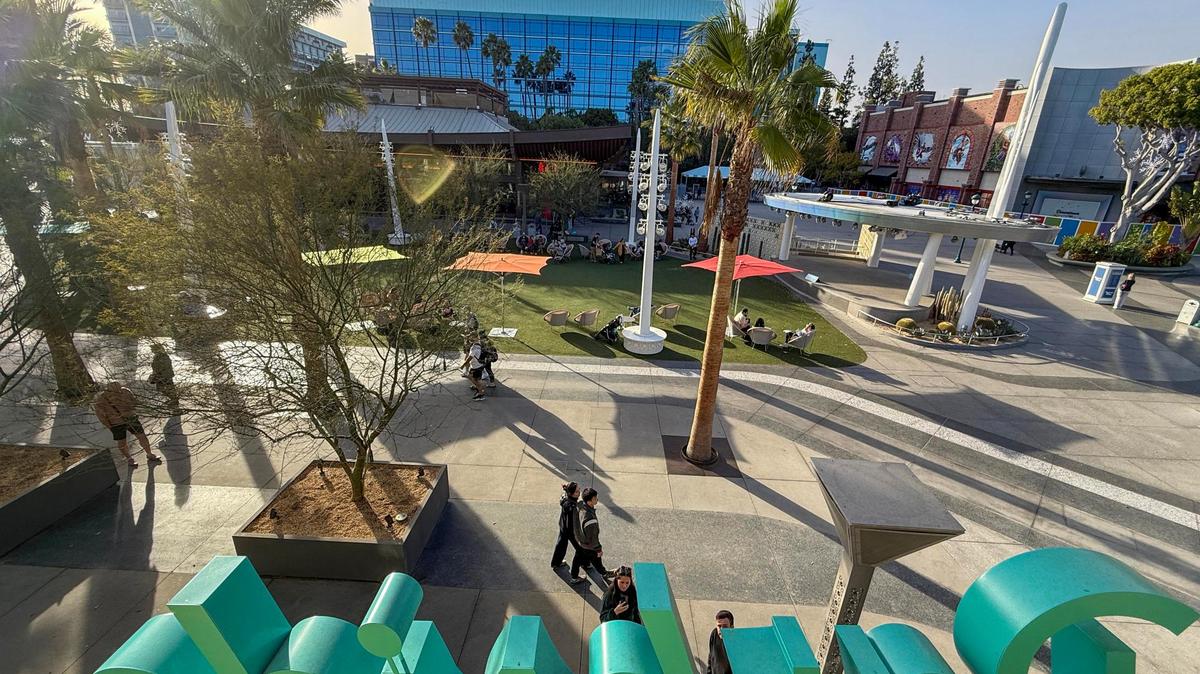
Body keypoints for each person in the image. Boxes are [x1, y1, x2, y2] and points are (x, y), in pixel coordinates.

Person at [95, 382, 163, 467]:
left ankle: (149, 453)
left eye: (119, 387)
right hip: (116, 423)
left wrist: (130, 405)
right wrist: (110, 427)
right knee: (122, 442)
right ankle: (129, 458)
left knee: (142, 436)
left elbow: (134, 403)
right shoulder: (101, 399)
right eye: (115, 389)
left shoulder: (126, 391)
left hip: (131, 419)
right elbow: (101, 416)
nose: (118, 390)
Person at [570, 487, 610, 583]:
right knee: (597, 559)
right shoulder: (590, 520)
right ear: (589, 501)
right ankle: (604, 573)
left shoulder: (580, 505)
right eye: (595, 498)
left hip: (580, 540)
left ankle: (574, 576)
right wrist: (599, 549)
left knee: (577, 559)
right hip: (588, 545)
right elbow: (593, 538)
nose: (597, 499)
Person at [551, 482, 580, 570]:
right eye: (576, 492)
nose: (579, 492)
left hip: (563, 525)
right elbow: (572, 520)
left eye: (579, 490)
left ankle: (556, 563)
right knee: (580, 548)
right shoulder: (571, 507)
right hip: (570, 529)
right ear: (571, 493)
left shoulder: (565, 497)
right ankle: (585, 563)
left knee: (561, 545)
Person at [149, 343, 180, 413]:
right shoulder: (158, 356)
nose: (151, 350)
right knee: (164, 389)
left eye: (152, 348)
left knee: (166, 389)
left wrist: (157, 375)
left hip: (164, 376)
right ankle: (173, 400)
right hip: (162, 376)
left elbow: (162, 367)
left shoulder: (162, 356)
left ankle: (174, 402)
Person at [466, 332, 488, 400]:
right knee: (472, 377)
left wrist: (464, 364)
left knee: (476, 380)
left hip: (476, 366)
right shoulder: (478, 342)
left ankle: (481, 394)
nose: (469, 338)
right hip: (478, 364)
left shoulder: (475, 346)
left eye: (470, 336)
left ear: (474, 337)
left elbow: (470, 356)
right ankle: (479, 387)